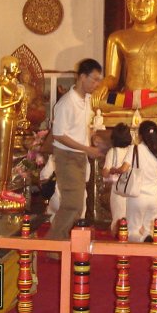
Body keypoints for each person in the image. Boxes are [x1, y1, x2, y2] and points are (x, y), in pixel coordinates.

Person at [46, 58, 105, 241]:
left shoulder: (87, 99)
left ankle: (61, 241)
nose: (97, 84)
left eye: (98, 80)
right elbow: (58, 135)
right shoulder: (66, 102)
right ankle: (55, 242)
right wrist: (86, 148)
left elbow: (82, 126)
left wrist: (92, 137)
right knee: (73, 204)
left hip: (79, 156)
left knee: (77, 205)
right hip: (67, 156)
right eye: (94, 79)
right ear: (81, 77)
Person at [119, 120, 157, 242]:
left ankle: (142, 240)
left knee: (132, 231)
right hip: (155, 197)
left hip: (137, 196)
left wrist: (114, 170)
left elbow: (124, 168)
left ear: (140, 135)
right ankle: (147, 241)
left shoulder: (135, 149)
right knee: (150, 231)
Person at [0, 55, 26, 211]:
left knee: (8, 155)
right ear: (6, 68)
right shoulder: (0, 85)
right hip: (2, 120)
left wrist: (20, 103)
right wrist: (17, 101)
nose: (17, 70)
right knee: (1, 155)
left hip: (11, 119)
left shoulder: (13, 86)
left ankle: (5, 188)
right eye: (14, 67)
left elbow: (17, 108)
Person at [101, 122, 132, 235]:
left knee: (118, 219)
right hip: (133, 189)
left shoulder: (112, 152)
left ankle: (116, 243)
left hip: (118, 189)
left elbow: (105, 173)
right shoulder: (133, 151)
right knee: (131, 220)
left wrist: (111, 171)